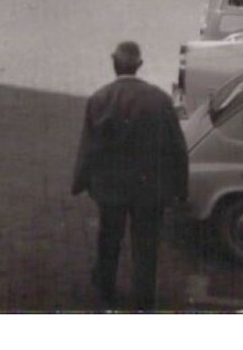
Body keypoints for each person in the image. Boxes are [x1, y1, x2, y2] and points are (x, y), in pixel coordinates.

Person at [71, 41, 189, 310]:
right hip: (150, 188)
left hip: (111, 186)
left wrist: (81, 181)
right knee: (146, 245)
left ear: (114, 64)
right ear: (139, 65)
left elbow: (89, 147)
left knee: (108, 238)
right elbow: (177, 147)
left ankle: (105, 286)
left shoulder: (100, 99)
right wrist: (180, 188)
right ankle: (144, 298)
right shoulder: (159, 99)